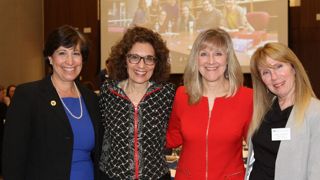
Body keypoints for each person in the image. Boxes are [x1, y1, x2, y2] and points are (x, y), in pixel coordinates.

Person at [2, 25, 101, 180]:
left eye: (76, 53)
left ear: (82, 58)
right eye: (62, 53)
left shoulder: (92, 99)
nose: (70, 61)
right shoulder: (28, 96)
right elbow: (13, 157)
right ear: (50, 58)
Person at [166, 28, 253, 179]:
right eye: (204, 54)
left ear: (228, 59)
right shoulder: (182, 95)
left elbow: (257, 147)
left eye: (218, 54)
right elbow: (173, 137)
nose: (211, 61)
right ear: (196, 59)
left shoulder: (247, 97)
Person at [99, 26, 176, 180]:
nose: (142, 65)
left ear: (156, 63)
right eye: (134, 57)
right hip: (113, 176)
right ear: (124, 59)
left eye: (149, 58)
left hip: (156, 176)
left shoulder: (167, 94)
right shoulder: (108, 93)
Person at [245, 42, 320, 180]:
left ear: (294, 68)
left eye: (279, 66)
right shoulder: (263, 111)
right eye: (266, 72)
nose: (274, 77)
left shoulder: (315, 113)